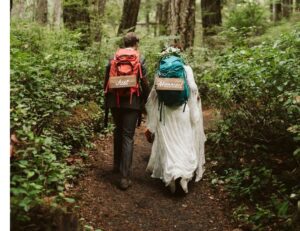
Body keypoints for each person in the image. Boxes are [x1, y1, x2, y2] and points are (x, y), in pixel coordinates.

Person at [145, 46, 206, 193]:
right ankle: (184, 176)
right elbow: (192, 89)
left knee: (169, 145)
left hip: (166, 114)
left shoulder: (161, 70)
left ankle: (171, 176)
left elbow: (154, 95)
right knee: (184, 142)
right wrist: (195, 115)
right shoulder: (186, 69)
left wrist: (151, 123)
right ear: (179, 57)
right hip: (182, 112)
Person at [104, 32, 150, 190]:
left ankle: (116, 166)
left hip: (114, 100)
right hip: (132, 101)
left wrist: (107, 97)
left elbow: (106, 78)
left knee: (118, 130)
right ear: (136, 43)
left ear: (124, 43)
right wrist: (146, 99)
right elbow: (144, 81)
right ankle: (124, 177)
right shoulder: (139, 57)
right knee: (128, 136)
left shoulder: (114, 56)